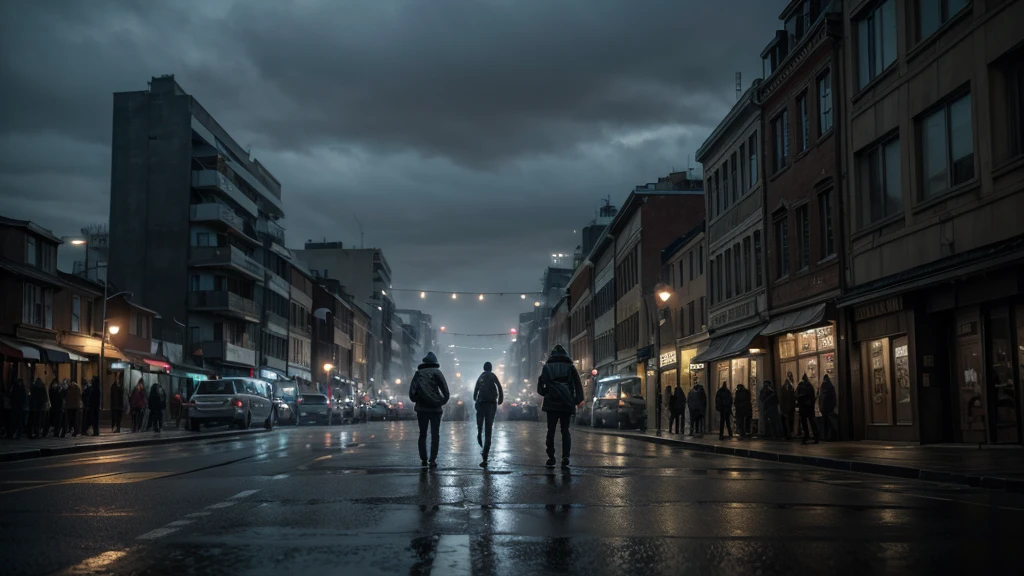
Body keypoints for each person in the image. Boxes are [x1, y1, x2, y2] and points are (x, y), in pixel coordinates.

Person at [536, 345, 584, 468]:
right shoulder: (570, 366)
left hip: (551, 402)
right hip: (566, 402)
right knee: (565, 431)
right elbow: (578, 384)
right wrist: (578, 400)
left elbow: (542, 389)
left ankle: (551, 457)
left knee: (550, 430)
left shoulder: (547, 367)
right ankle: (565, 457)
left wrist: (547, 392)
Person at [408, 352, 450, 468]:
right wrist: (440, 401)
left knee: (423, 434)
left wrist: (419, 400)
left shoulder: (418, 374)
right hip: (435, 410)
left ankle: (423, 459)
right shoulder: (438, 373)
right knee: (435, 435)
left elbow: (412, 394)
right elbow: (446, 392)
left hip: (421, 409)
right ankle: (432, 460)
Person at [473, 361, 503, 467]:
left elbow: (476, 389)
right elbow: (499, 387)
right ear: (490, 368)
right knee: (488, 429)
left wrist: (475, 398)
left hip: (481, 404)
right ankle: (485, 455)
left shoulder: (481, 376)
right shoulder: (492, 376)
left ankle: (479, 435)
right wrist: (500, 399)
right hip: (490, 405)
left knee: (480, 425)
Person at [797, 374, 819, 445]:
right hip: (807, 407)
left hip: (805, 407)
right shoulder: (809, 386)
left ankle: (808, 436)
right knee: (810, 422)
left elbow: (798, 395)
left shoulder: (803, 386)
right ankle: (813, 436)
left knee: (807, 423)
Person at [818, 374, 837, 441]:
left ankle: (826, 435)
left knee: (826, 422)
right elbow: (833, 398)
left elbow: (822, 398)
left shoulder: (824, 386)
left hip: (825, 408)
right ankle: (830, 435)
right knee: (828, 421)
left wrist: (821, 407)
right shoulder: (831, 386)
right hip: (829, 408)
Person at [779, 372, 796, 440]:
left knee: (788, 422)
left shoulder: (789, 388)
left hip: (788, 408)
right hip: (788, 408)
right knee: (788, 421)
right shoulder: (789, 388)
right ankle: (788, 434)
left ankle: (788, 434)